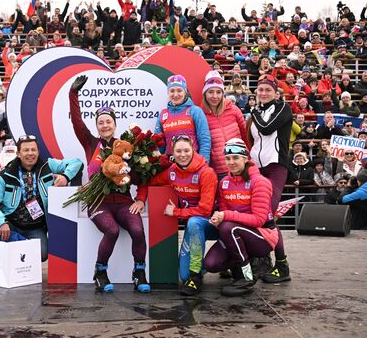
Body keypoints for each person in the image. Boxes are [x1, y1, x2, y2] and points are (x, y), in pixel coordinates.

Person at [69, 75, 151, 293]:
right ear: (97, 126)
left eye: (108, 122)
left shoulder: (125, 146)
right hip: (98, 202)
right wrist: (73, 94)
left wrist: (141, 199)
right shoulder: (91, 143)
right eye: (101, 122)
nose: (105, 125)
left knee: (137, 230)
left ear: (115, 125)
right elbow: (77, 122)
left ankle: (139, 272)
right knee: (112, 230)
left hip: (124, 202)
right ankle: (100, 271)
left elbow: (142, 176)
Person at [0, 135, 82, 262]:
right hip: (10, 223)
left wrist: (66, 176)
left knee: (42, 254)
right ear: (18, 153)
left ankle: (19, 264)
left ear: (38, 152)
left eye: (33, 150)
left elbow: (76, 162)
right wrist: (2, 222)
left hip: (35, 227)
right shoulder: (5, 174)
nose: (30, 153)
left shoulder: (48, 166)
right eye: (26, 150)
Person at [203, 139, 279, 296]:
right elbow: (225, 212)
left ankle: (247, 277)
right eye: (228, 158)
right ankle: (242, 266)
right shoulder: (224, 182)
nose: (231, 162)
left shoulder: (260, 182)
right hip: (236, 232)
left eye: (236, 157)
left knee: (229, 227)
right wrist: (218, 219)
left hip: (262, 236)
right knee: (211, 264)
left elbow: (259, 219)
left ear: (246, 159)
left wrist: (226, 216)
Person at [146, 135, 218, 295]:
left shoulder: (206, 173)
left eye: (186, 150)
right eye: (178, 151)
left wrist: (177, 212)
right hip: (194, 228)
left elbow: (205, 210)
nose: (182, 154)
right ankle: (194, 272)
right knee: (183, 275)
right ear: (173, 152)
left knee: (194, 222)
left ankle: (196, 277)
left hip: (214, 224)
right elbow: (153, 181)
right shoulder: (172, 171)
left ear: (193, 150)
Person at [247, 74, 292, 283]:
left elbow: (266, 128)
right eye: (261, 89)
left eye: (268, 90)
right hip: (256, 168)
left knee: (267, 214)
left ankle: (282, 265)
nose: (263, 93)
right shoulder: (255, 113)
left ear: (276, 92)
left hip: (275, 167)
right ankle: (257, 259)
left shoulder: (283, 108)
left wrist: (254, 112)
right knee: (252, 213)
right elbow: (252, 139)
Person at [201, 71, 248, 179]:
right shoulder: (201, 115)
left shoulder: (234, 110)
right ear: (205, 93)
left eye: (218, 92)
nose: (215, 96)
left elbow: (245, 136)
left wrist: (248, 160)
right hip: (219, 171)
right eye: (210, 92)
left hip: (240, 168)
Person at [154, 74, 211, 162]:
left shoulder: (195, 111)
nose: (175, 95)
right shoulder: (162, 114)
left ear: (185, 92)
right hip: (170, 165)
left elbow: (204, 140)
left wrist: (204, 163)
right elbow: (159, 145)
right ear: (168, 93)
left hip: (193, 163)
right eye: (172, 91)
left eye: (179, 90)